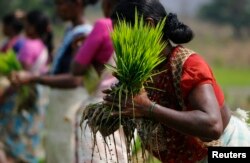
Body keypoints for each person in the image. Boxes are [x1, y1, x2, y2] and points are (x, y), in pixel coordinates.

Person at [104, 0, 250, 162]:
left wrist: (148, 108)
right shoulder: (138, 74)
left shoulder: (187, 64)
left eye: (123, 32)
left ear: (149, 25)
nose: (118, 43)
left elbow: (212, 125)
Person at [11, 0, 98, 163]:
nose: (58, 8)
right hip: (60, 104)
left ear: (77, 3)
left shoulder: (84, 33)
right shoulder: (71, 30)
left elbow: (75, 79)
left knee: (66, 153)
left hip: (70, 104)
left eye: (61, 3)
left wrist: (33, 77)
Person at [71, 0, 128, 162]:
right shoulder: (135, 29)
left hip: (100, 109)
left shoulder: (104, 25)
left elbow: (77, 68)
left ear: (108, 5)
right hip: (125, 110)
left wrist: (78, 49)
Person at [0, 10, 52, 163]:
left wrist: (3, 95)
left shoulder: (28, 47)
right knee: (28, 140)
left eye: (27, 25)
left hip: (22, 98)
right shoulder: (42, 46)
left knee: (12, 142)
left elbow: (20, 78)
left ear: (32, 27)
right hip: (36, 97)